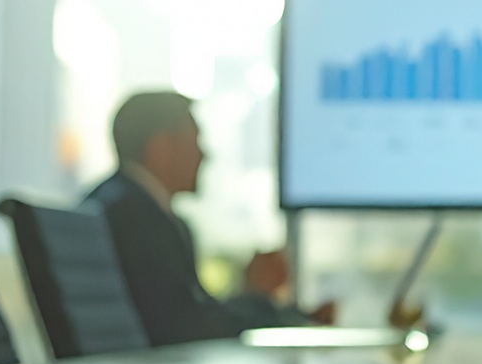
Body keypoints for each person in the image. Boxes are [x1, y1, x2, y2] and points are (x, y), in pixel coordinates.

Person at [85, 91, 334, 345]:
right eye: (194, 142)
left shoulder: (119, 204)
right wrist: (257, 296)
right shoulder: (135, 218)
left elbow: (192, 311)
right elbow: (187, 325)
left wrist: (288, 314)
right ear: (162, 149)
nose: (205, 156)